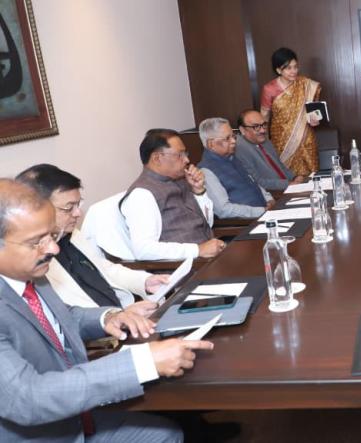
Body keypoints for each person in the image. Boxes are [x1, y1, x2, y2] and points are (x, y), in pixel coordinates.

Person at [0, 178, 214, 441]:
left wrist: (108, 317)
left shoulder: (28, 272)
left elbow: (59, 316)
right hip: (39, 432)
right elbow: (29, 399)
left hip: (74, 414)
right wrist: (142, 363)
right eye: (37, 242)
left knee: (166, 434)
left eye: (51, 236)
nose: (53, 249)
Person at [16, 164, 169, 312]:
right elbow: (68, 315)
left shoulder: (69, 233)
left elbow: (103, 268)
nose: (77, 213)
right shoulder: (32, 261)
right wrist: (115, 316)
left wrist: (144, 281)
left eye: (78, 205)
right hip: (102, 324)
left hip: (123, 311)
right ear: (36, 209)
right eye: (68, 208)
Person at [121, 128, 226, 261]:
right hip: (188, 266)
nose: (187, 160)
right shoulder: (142, 195)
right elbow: (144, 250)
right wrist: (198, 250)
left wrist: (199, 191)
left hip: (211, 256)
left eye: (185, 153)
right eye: (180, 155)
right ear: (157, 158)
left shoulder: (179, 180)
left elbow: (206, 224)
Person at [197, 117, 275, 219]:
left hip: (266, 213)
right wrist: (262, 211)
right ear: (211, 144)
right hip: (246, 223)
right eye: (227, 138)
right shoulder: (206, 171)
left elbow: (254, 184)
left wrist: (269, 199)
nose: (233, 141)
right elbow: (224, 210)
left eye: (233, 136)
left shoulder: (233, 158)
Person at [260, 47, 321, 176]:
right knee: (287, 178)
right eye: (288, 68)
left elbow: (314, 111)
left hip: (305, 138)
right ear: (278, 70)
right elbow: (264, 116)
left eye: (295, 67)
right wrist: (264, 142)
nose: (293, 71)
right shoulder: (269, 89)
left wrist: (315, 119)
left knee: (311, 177)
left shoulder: (305, 84)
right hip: (281, 141)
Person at [236, 109, 304, 192]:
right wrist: (288, 184)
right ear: (242, 130)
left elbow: (280, 166)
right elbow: (258, 182)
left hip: (288, 188)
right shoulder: (238, 148)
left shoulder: (265, 140)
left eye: (263, 125)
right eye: (256, 127)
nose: (263, 130)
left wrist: (295, 177)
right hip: (271, 194)